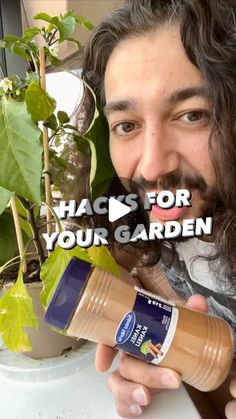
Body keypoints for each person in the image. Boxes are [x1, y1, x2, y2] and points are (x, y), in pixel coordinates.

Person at [78, 0, 236, 417]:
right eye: (127, 126)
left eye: (192, 115)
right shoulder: (156, 230)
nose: (150, 167)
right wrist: (177, 361)